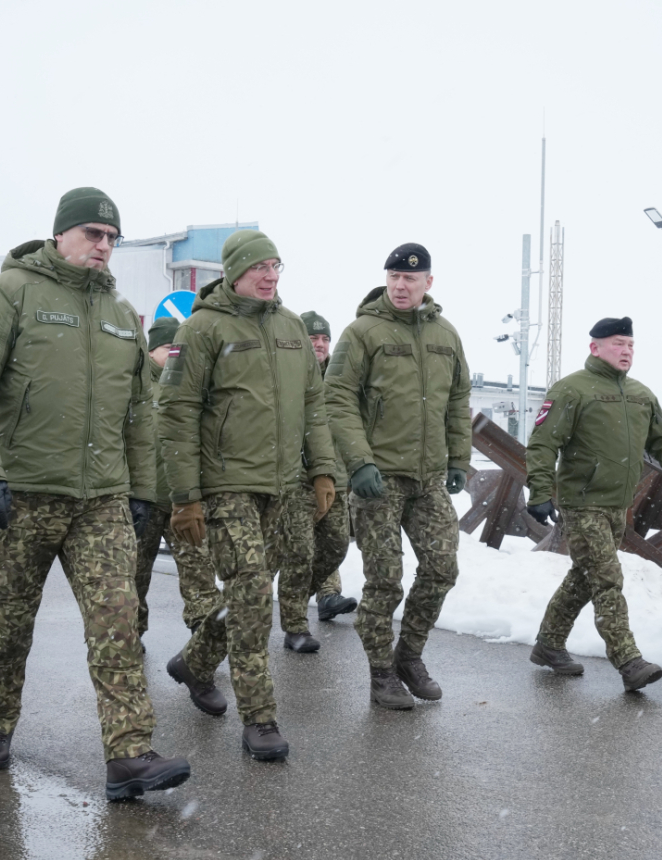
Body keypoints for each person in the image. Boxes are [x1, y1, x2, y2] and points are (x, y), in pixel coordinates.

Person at [0, 187, 190, 800]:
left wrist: (140, 488)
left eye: (112, 238)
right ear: (61, 234)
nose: (103, 245)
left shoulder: (120, 313)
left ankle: (128, 754)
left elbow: (139, 409)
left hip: (100, 500)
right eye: (92, 234)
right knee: (7, 628)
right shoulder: (9, 293)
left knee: (117, 622)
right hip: (20, 493)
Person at [157, 229, 336, 760]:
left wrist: (322, 470)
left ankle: (194, 662)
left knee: (244, 594)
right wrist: (186, 496)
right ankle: (260, 718)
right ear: (235, 272)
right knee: (255, 595)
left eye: (276, 266)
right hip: (226, 485)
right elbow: (176, 411)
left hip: (281, 485)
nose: (270, 275)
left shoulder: (291, 327)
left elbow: (314, 404)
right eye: (260, 266)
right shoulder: (202, 328)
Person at [523, 317, 662, 693]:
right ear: (595, 348)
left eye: (630, 345)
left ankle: (548, 645)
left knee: (584, 578)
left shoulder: (641, 395)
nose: (626, 351)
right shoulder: (572, 390)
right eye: (617, 344)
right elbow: (543, 443)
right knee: (607, 579)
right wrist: (540, 491)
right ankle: (629, 662)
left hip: (616, 505)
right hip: (583, 503)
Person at [324, 243, 472, 710]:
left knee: (442, 569)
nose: (400, 285)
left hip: (427, 479)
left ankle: (408, 656)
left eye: (410, 278)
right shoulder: (362, 332)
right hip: (378, 478)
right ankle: (381, 672)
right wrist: (359, 462)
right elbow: (337, 398)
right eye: (393, 277)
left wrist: (458, 459)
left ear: (428, 282)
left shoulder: (446, 334)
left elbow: (457, 401)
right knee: (385, 580)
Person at [135, 315, 228, 717]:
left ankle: (201, 648)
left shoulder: (193, 386)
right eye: (167, 349)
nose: (174, 356)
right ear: (151, 351)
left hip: (184, 501)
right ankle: (129, 639)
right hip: (142, 499)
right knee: (133, 577)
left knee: (200, 576)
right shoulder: (135, 386)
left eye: (179, 349)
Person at [275, 310, 357, 654]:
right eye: (313, 338)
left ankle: (294, 599)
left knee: (336, 546)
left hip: (335, 479)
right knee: (299, 553)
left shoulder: (340, 379)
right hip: (297, 480)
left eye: (325, 339)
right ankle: (295, 626)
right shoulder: (287, 374)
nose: (320, 344)